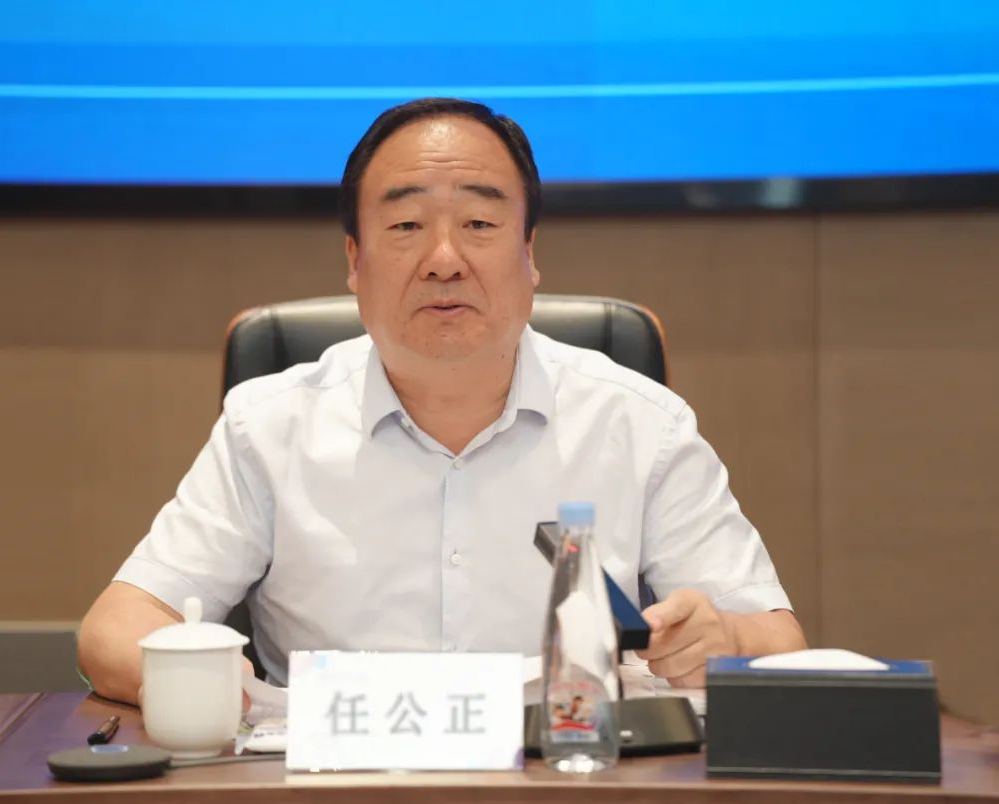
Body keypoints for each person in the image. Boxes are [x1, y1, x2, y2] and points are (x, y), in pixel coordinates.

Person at [79, 98, 806, 706]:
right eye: (405, 227)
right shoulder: (268, 426)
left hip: (565, 775)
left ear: (529, 254)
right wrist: (204, 686)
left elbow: (779, 643)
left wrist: (724, 639)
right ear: (355, 261)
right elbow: (115, 628)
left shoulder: (641, 424)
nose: (445, 260)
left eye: (481, 225)